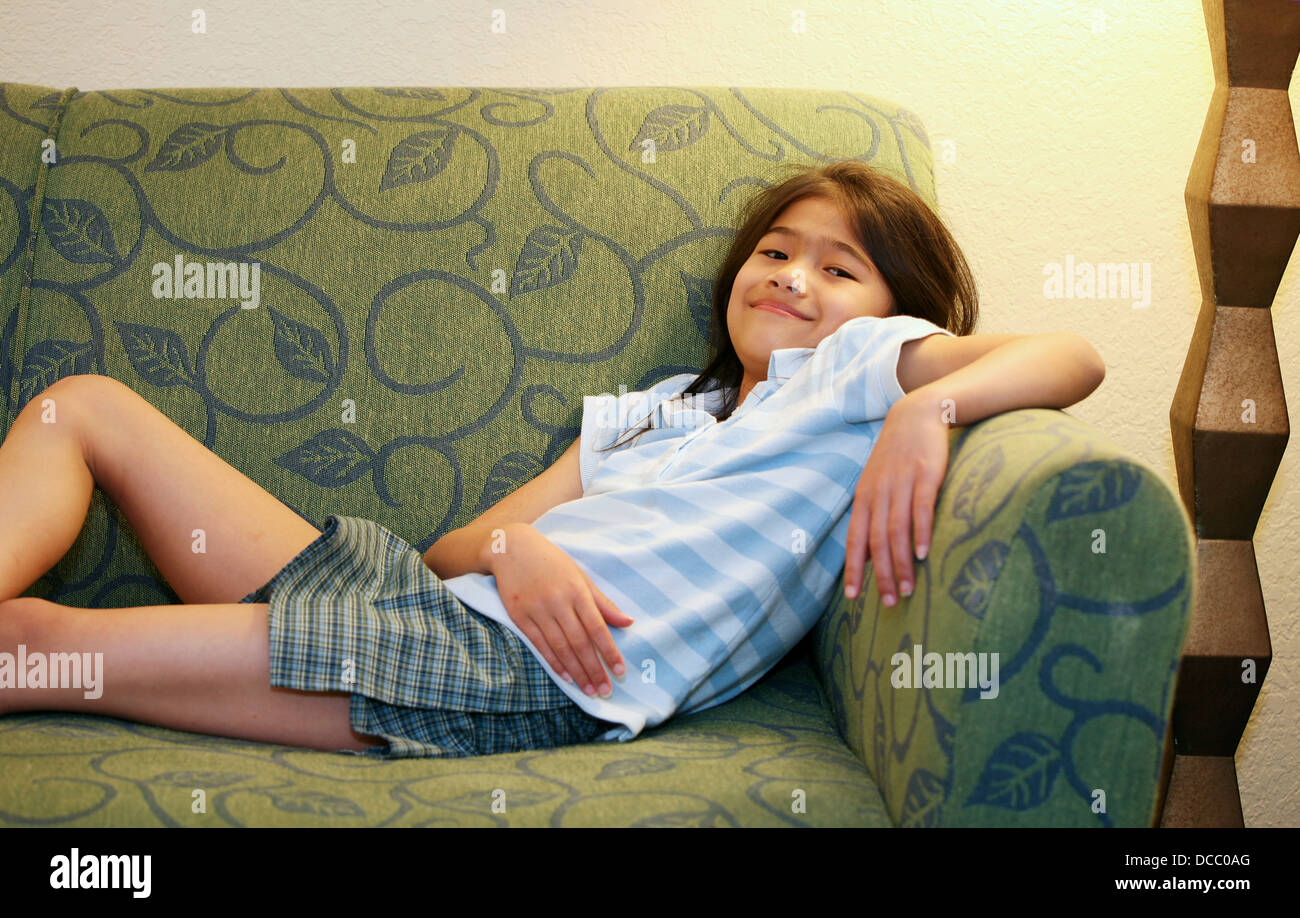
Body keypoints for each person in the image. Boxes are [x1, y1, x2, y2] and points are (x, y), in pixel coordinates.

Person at [0, 159, 1104, 759]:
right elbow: (448, 553)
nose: (792, 279)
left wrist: (932, 410)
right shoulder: (660, 410)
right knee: (83, 408)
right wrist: (521, 549)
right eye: (773, 252)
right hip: (431, 601)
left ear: (890, 311)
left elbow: (1071, 353)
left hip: (515, 673)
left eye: (839, 267)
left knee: (34, 647)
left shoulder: (859, 372)